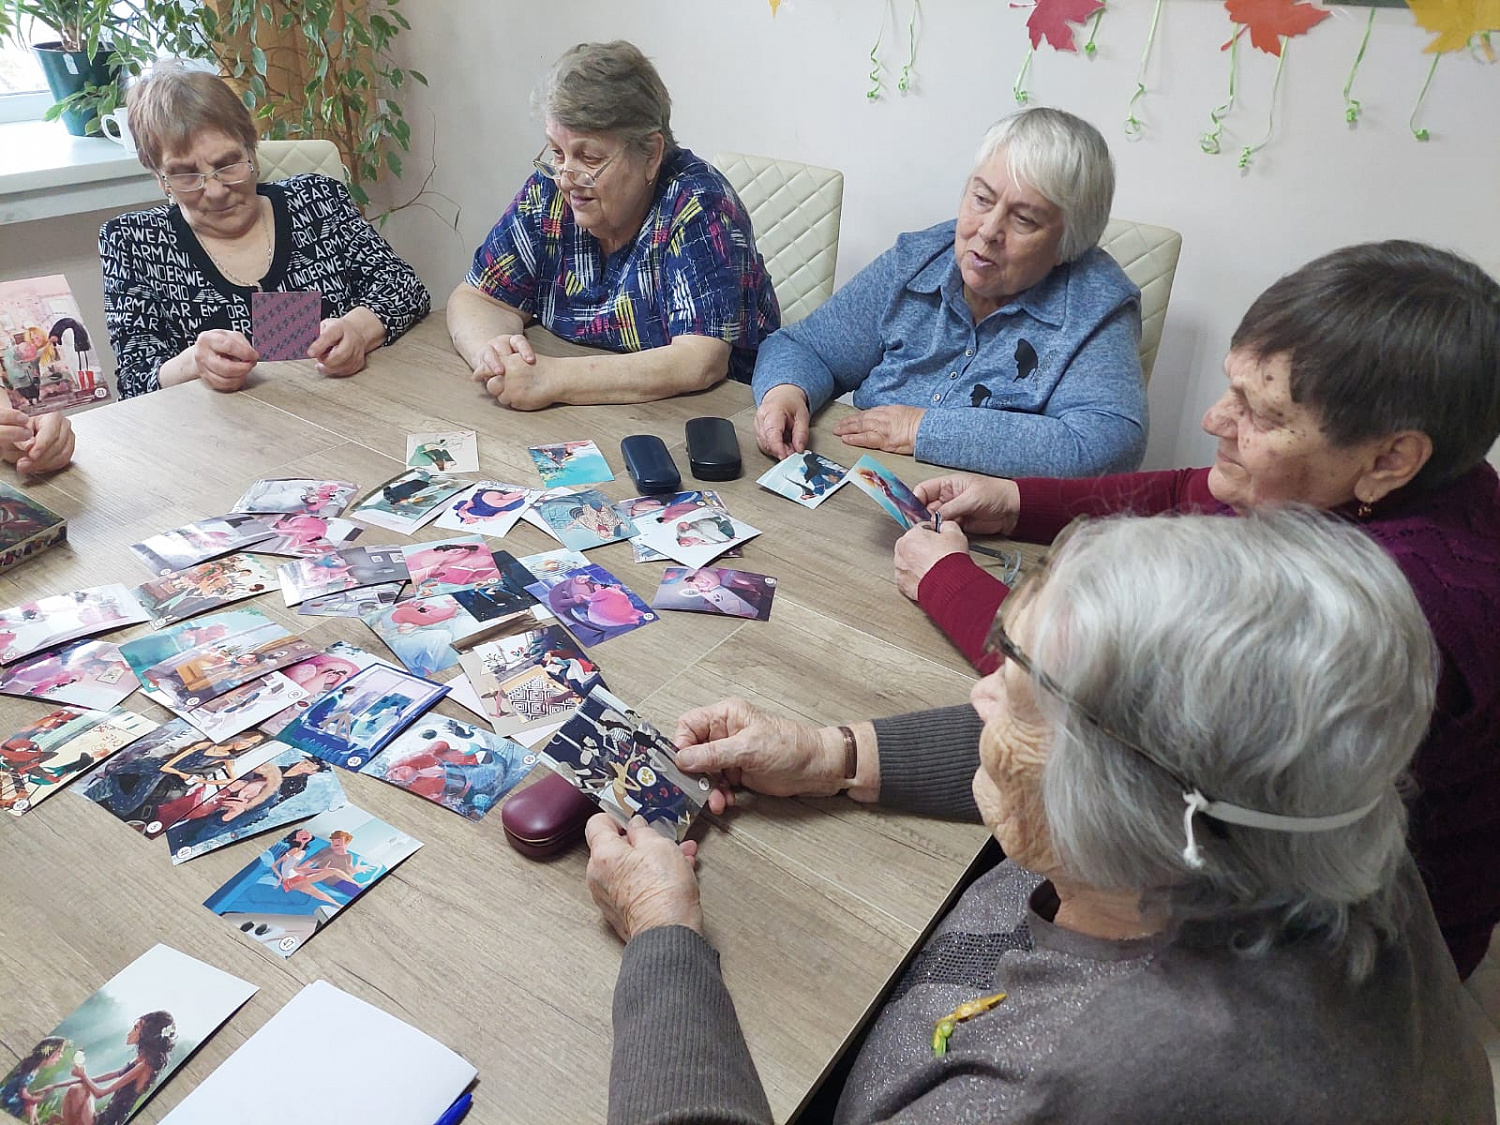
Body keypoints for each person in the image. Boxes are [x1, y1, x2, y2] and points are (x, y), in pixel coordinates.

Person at [585, 511, 1492, 1123]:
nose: (978, 696)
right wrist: (836, 752)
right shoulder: (1317, 798)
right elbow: (1102, 740)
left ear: (1115, 802)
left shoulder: (1053, 1082)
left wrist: (662, 935)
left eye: (1011, 691)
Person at [893, 240, 1500, 980]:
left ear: (1390, 458)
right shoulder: (1405, 480)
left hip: (1347, 949)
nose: (1216, 417)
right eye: (1231, 388)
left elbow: (1103, 706)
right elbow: (1203, 489)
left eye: (1259, 412)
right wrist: (1019, 500)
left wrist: (946, 578)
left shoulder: (1392, 604)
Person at [753, 106, 1144, 478]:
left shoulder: (1096, 305)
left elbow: (1105, 446)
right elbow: (807, 347)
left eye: (1023, 219)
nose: (988, 230)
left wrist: (922, 428)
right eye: (982, 199)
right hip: (852, 501)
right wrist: (786, 392)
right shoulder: (920, 260)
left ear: (1068, 245)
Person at [447, 40, 779, 408]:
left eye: (589, 157)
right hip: (582, 416)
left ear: (651, 154)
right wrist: (493, 357)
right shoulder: (548, 194)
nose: (566, 177)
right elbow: (477, 297)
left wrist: (552, 379)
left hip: (708, 419)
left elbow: (699, 360)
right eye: (557, 153)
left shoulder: (698, 205)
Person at [100, 64, 430, 399]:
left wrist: (357, 331)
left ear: (252, 150)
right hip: (219, 437)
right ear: (160, 179)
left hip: (346, 410)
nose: (214, 190)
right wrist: (193, 365)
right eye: (185, 175)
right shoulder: (134, 243)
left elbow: (404, 289)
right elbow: (134, 381)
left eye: (227, 165)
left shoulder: (316, 201)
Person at [34, 1010, 177, 1125]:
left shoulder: (144, 1066)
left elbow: (100, 1093)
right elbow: (100, 1078)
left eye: (136, 1028)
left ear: (147, 1035)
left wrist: (83, 1075)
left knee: (78, 1091)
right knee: (77, 1090)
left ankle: (63, 1122)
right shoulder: (139, 1060)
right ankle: (64, 1121)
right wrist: (55, 1085)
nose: (130, 1032)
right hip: (102, 1117)